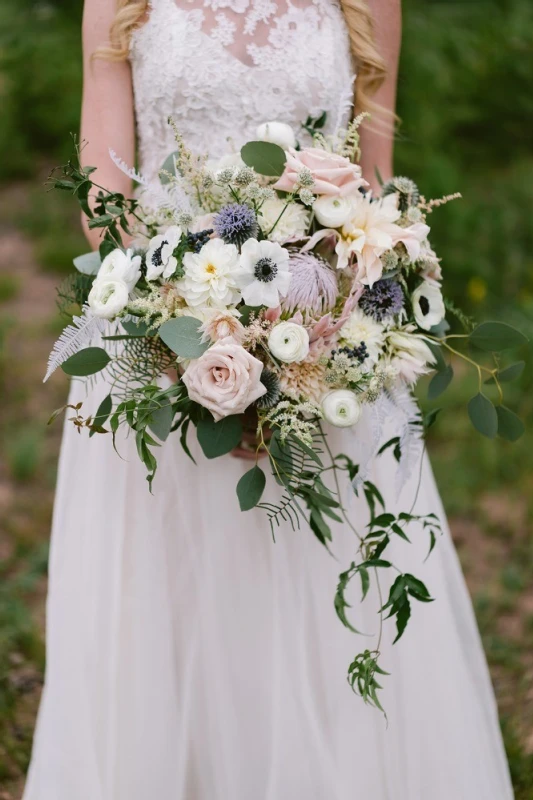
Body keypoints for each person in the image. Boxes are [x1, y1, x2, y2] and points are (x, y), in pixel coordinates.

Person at [24, 0, 514, 797]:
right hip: (162, 335)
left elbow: (376, 179)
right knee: (171, 604)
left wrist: (338, 325)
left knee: (329, 593)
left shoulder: (365, 4)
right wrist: (190, 331)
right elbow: (103, 195)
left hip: (327, 339)